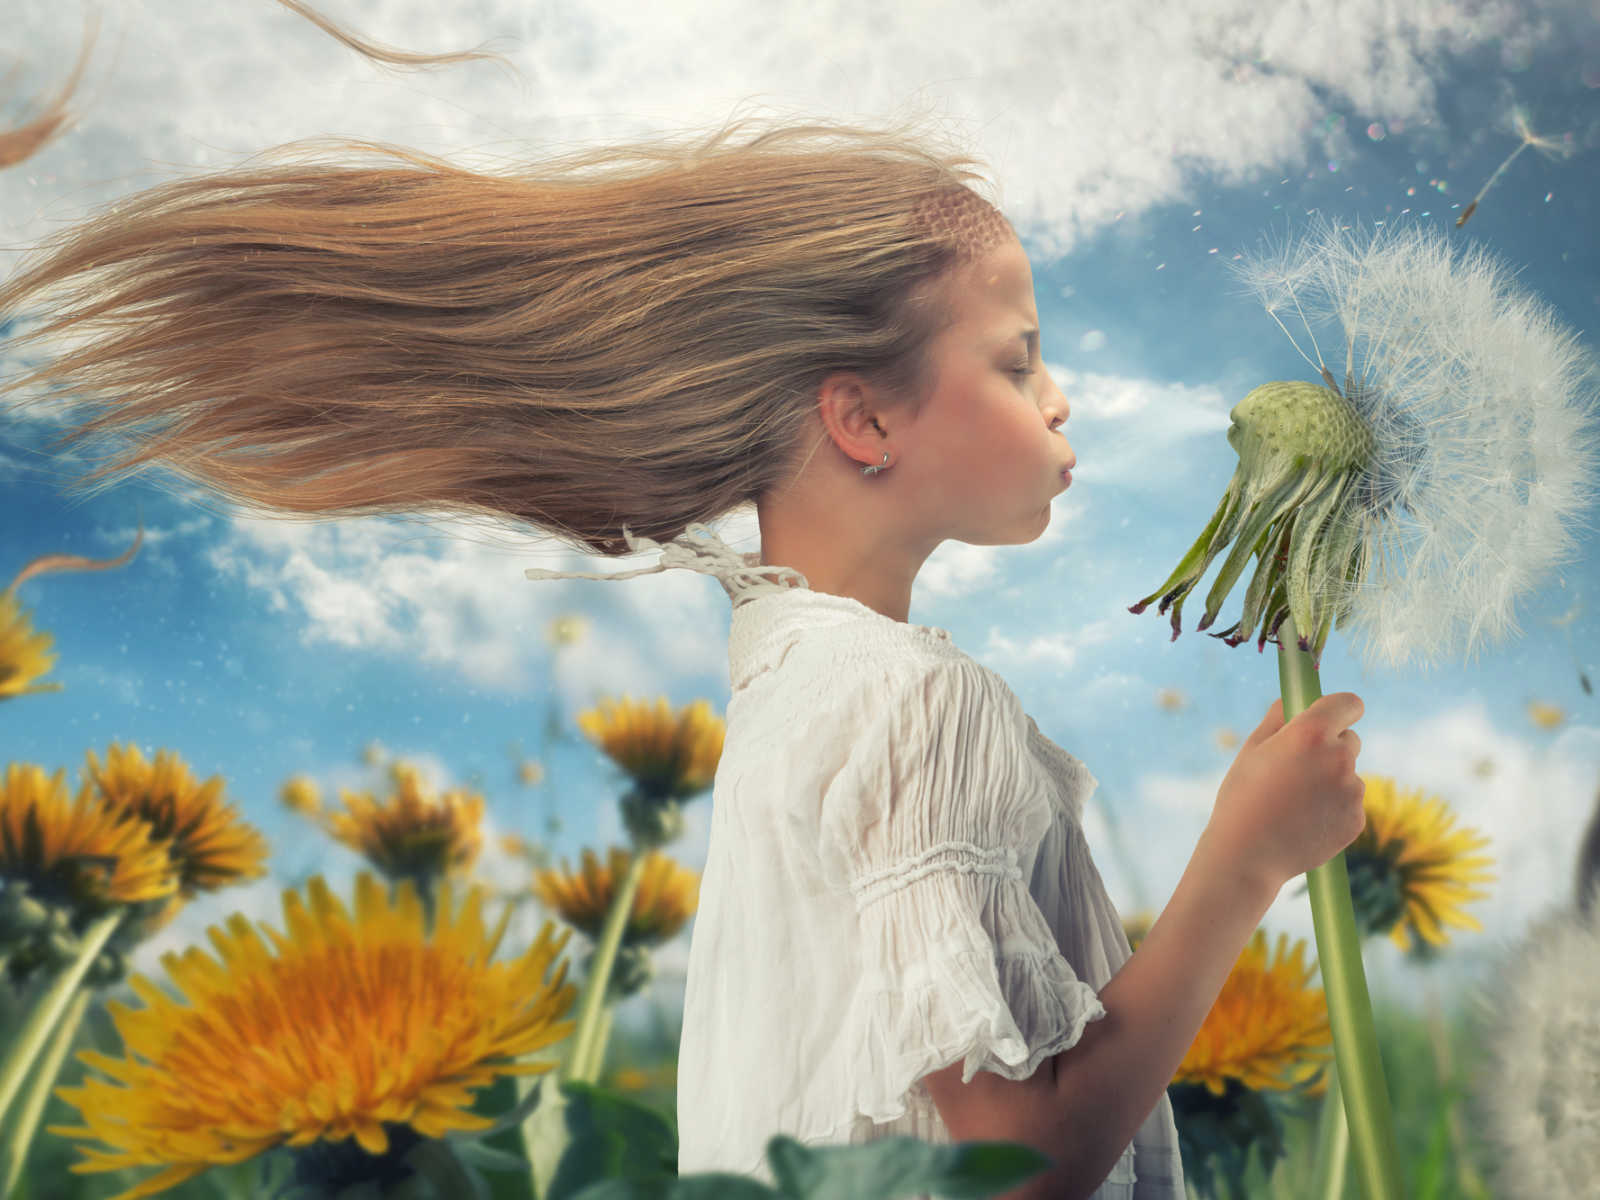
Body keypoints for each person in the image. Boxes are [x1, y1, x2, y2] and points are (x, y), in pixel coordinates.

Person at [0, 111, 1366, 1200]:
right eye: (1017, 362)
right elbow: (1002, 1172)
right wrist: (1241, 868)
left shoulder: (787, 687)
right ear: (862, 420)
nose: (1060, 398)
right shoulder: (916, 701)